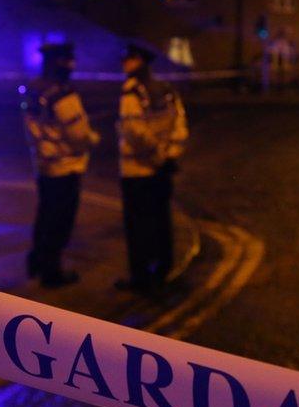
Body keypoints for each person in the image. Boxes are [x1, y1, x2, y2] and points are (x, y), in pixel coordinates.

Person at [22, 43, 101, 288]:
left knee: (45, 214)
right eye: (70, 61)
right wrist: (93, 139)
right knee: (60, 221)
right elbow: (78, 134)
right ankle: (52, 272)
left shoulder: (34, 90)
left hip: (44, 164)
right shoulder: (63, 94)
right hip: (65, 166)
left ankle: (36, 260)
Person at [116, 44, 188, 293]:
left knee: (138, 227)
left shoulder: (132, 92)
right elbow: (180, 126)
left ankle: (141, 279)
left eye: (127, 58)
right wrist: (169, 155)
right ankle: (164, 269)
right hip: (162, 170)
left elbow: (134, 131)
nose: (123, 63)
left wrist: (155, 156)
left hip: (137, 172)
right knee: (161, 220)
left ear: (138, 61)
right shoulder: (167, 90)